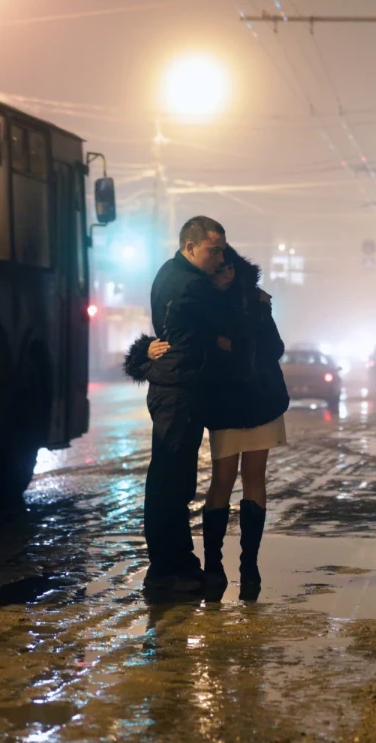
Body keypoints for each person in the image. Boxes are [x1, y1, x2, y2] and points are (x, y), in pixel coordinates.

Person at [127, 246, 290, 598]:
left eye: (230, 268)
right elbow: (180, 341)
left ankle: (250, 565)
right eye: (218, 271)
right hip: (225, 405)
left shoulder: (255, 300)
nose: (225, 275)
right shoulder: (205, 305)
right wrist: (147, 350)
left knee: (255, 479)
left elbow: (274, 347)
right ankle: (213, 564)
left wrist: (237, 347)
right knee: (222, 481)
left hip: (260, 400)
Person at [138, 216, 227, 592]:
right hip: (179, 390)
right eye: (213, 250)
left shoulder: (168, 273)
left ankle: (178, 561)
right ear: (190, 248)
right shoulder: (193, 285)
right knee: (170, 482)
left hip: (171, 387)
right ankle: (165, 570)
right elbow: (219, 333)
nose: (219, 258)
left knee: (173, 479)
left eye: (222, 249)